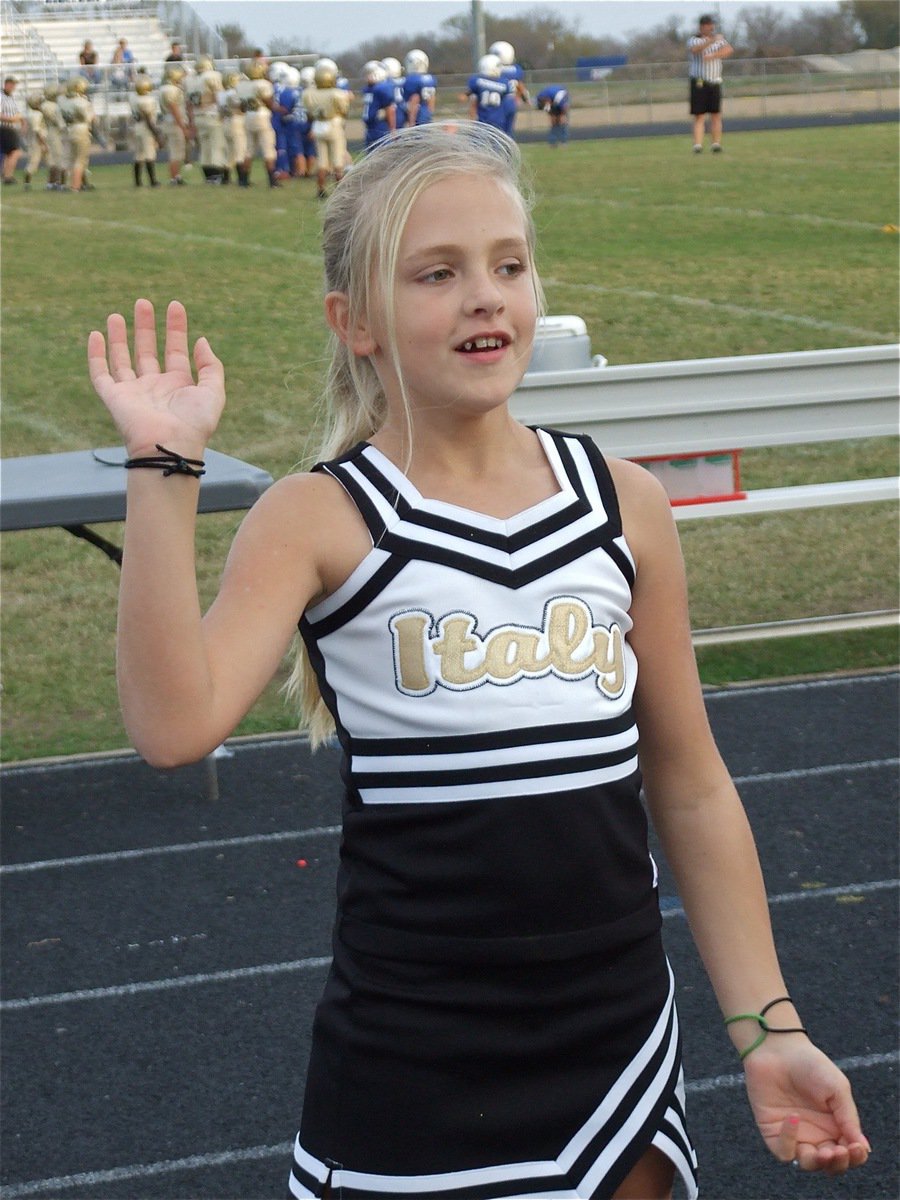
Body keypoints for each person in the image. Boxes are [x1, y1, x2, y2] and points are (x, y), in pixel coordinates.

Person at [87, 121, 871, 1200]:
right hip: (408, 1072)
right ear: (352, 321)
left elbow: (688, 784)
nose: (485, 297)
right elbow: (173, 728)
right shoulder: (321, 516)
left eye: (507, 265)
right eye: (436, 274)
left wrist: (767, 1029)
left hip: (619, 1063)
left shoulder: (623, 506)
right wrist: (162, 465)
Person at [301, 58, 349, 198]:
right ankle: (340, 191)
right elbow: (343, 110)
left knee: (322, 161)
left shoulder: (309, 93)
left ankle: (320, 189)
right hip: (333, 124)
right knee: (337, 160)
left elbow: (308, 112)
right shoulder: (336, 93)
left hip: (318, 125)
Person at [688, 13, 733, 153]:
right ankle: (698, 145)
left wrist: (714, 55)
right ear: (702, 26)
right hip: (699, 82)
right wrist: (711, 41)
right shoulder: (694, 40)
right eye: (708, 25)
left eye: (712, 25)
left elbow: (728, 50)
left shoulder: (719, 40)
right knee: (699, 115)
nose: (711, 27)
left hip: (714, 81)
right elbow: (695, 50)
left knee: (715, 114)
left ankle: (716, 144)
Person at [490, 39, 529, 137]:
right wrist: (525, 99)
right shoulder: (516, 69)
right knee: (508, 130)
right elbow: (519, 86)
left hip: (498, 102)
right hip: (512, 101)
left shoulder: (494, 69)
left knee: (495, 130)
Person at [159, 64, 190, 185]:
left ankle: (176, 176)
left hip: (167, 121)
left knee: (174, 151)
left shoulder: (163, 88)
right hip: (174, 123)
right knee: (176, 152)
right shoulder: (173, 90)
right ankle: (175, 177)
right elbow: (174, 107)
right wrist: (182, 126)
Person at [129, 74, 162, 186]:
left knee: (139, 154)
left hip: (137, 126)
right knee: (149, 154)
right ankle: (153, 180)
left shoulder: (133, 98)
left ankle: (138, 181)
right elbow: (147, 117)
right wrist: (156, 132)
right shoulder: (147, 100)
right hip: (145, 127)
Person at [467, 54, 511, 128]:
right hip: (500, 121)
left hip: (483, 122)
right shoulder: (504, 83)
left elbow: (473, 102)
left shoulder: (476, 81)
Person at [360, 60, 396, 150]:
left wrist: (392, 130)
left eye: (369, 74)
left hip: (380, 128)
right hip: (371, 128)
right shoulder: (369, 89)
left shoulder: (382, 88)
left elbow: (390, 109)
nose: (366, 77)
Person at [402, 48, 436, 126]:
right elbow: (431, 99)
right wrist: (429, 115)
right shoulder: (430, 79)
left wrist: (411, 122)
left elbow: (414, 100)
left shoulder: (412, 80)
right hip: (426, 115)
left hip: (417, 116)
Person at [1, 76, 24, 183]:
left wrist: (22, 122)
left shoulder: (11, 98)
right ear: (6, 84)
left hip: (11, 129)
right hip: (5, 127)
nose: (13, 86)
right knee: (15, 152)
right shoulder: (1, 97)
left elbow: (18, 112)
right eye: (12, 84)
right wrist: (12, 119)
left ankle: (6, 175)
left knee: (9, 153)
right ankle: (8, 176)